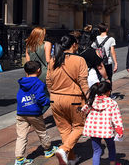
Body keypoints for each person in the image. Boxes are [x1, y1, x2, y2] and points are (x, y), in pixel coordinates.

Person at [46, 34, 89, 165]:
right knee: (80, 127)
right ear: (73, 45)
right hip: (74, 98)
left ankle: (70, 158)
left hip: (55, 99)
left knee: (64, 129)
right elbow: (83, 81)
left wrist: (53, 94)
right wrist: (89, 97)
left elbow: (48, 81)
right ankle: (64, 150)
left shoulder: (53, 60)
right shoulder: (79, 60)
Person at [14, 61, 58, 165]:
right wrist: (50, 101)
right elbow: (40, 98)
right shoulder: (38, 83)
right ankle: (48, 150)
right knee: (42, 132)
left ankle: (19, 159)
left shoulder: (22, 82)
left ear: (25, 71)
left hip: (21, 112)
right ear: (39, 70)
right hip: (34, 112)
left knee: (21, 136)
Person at [81, 81, 124, 165]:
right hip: (106, 129)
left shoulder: (92, 100)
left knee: (97, 151)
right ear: (109, 91)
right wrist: (119, 130)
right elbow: (116, 118)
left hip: (93, 129)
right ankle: (112, 163)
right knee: (111, 148)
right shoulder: (112, 103)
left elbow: (84, 110)